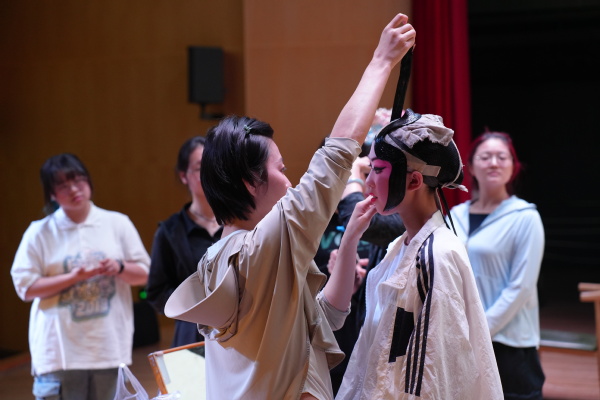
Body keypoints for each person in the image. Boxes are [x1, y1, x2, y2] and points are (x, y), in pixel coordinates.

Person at [163, 13, 416, 400]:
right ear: (251, 183)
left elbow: (322, 320)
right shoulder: (260, 248)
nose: (290, 180)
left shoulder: (219, 257)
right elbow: (334, 157)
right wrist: (381, 61)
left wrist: (349, 241)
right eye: (280, 169)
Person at [335, 111, 503, 399]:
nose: (368, 182)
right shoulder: (401, 246)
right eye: (370, 169)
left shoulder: (435, 255)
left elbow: (433, 376)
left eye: (378, 170)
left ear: (414, 181)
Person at [10, 153, 150, 400]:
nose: (74, 189)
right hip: (59, 353)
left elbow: (145, 275)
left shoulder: (117, 223)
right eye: (63, 185)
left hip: (108, 348)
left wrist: (118, 267)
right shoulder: (39, 232)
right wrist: (73, 277)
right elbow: (26, 288)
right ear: (52, 194)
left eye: (78, 180)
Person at [450, 130, 545, 399]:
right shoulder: (455, 215)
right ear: (471, 166)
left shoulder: (525, 217)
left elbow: (521, 287)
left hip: (509, 343)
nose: (494, 163)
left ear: (513, 166)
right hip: (461, 338)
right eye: (486, 157)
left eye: (502, 157)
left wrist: (481, 331)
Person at [322, 108, 406, 395]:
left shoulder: (392, 216)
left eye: (376, 170)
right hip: (329, 341)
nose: (370, 181)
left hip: (374, 341)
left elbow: (361, 221)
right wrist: (337, 275)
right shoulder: (314, 220)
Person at [146, 136, 223, 348]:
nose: (209, 173)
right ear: (183, 176)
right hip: (191, 335)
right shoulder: (170, 231)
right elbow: (156, 292)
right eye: (200, 168)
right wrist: (194, 302)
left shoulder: (238, 221)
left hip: (238, 331)